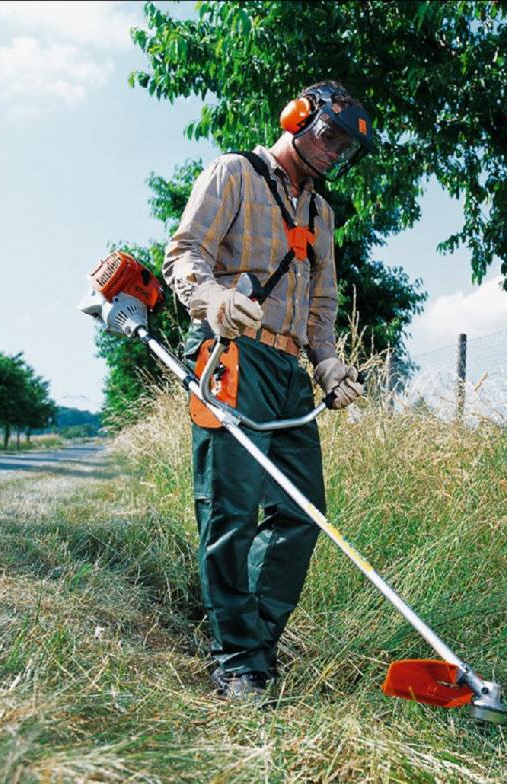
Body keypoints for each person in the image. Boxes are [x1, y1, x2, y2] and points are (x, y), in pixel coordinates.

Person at [162, 80, 374, 701]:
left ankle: (256, 642)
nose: (334, 152)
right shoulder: (234, 173)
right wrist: (213, 297)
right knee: (230, 511)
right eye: (328, 136)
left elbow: (324, 302)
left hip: (288, 375)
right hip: (232, 356)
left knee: (301, 512)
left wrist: (329, 364)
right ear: (296, 119)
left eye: (344, 148)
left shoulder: (321, 213)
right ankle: (236, 660)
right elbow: (183, 254)